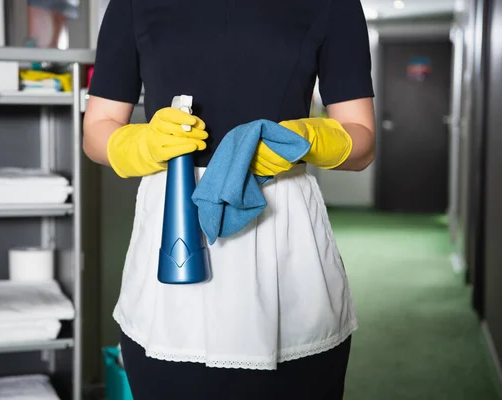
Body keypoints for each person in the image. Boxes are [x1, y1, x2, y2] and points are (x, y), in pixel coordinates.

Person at [83, 0, 375, 398]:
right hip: (174, 230)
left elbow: (362, 139)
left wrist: (309, 139)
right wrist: (140, 143)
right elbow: (97, 128)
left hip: (284, 239)